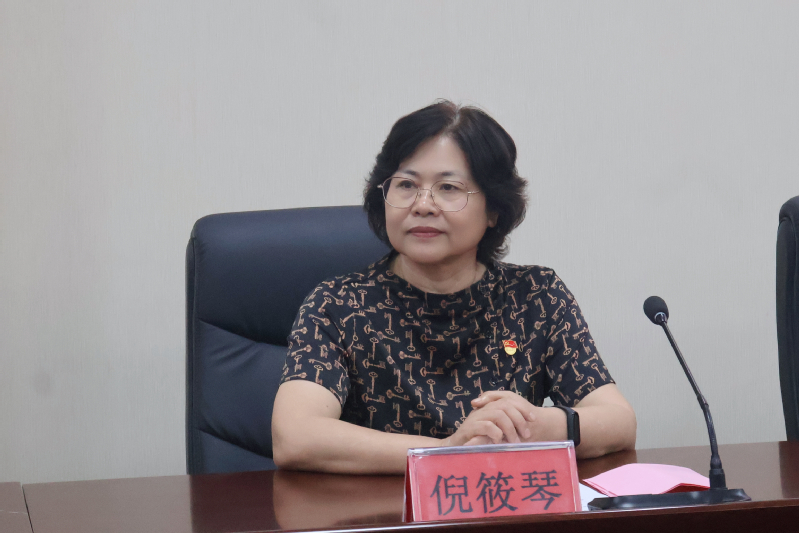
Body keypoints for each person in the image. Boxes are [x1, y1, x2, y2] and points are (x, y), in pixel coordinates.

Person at [272, 100, 636, 474]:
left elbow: (620, 422)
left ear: (494, 209)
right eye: (406, 185)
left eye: (448, 187)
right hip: (383, 507)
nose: (423, 205)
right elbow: (295, 436)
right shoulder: (339, 304)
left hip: (499, 503)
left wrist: (542, 425)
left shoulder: (535, 297)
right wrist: (447, 451)